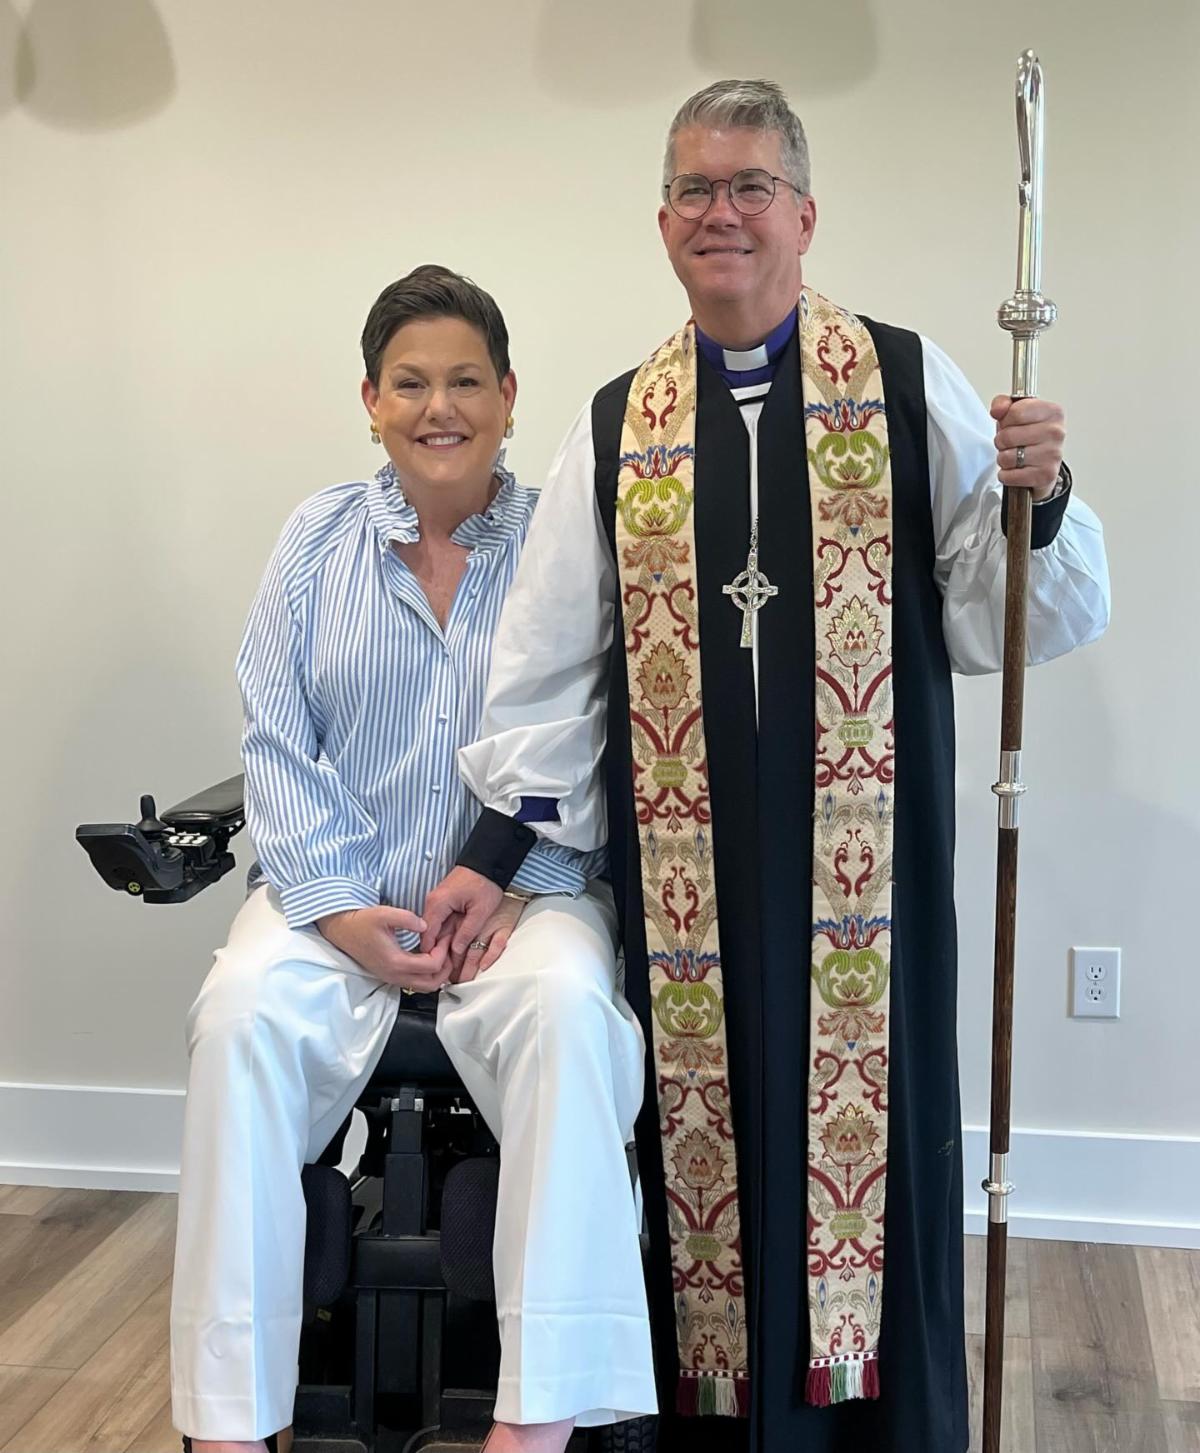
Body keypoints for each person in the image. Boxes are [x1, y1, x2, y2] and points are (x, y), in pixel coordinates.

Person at [421, 82, 1111, 1453]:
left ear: (804, 212)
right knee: (706, 1156)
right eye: (694, 188)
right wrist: (491, 857)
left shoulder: (904, 381)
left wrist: (1045, 496)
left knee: (878, 1152)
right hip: (696, 874)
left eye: (749, 186)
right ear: (663, 221)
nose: (721, 213)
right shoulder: (619, 422)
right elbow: (551, 660)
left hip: (869, 876)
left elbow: (1000, 615)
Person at [169, 265, 656, 1453]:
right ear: (372, 401)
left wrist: (518, 879)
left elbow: (592, 727)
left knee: (570, 1012)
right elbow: (276, 738)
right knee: (239, 1015)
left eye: (466, 381)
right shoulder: (316, 538)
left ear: (509, 395)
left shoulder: (562, 537)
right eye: (411, 383)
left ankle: (537, 1419)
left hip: (522, 896)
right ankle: (229, 1422)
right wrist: (339, 911)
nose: (441, 407)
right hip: (337, 895)